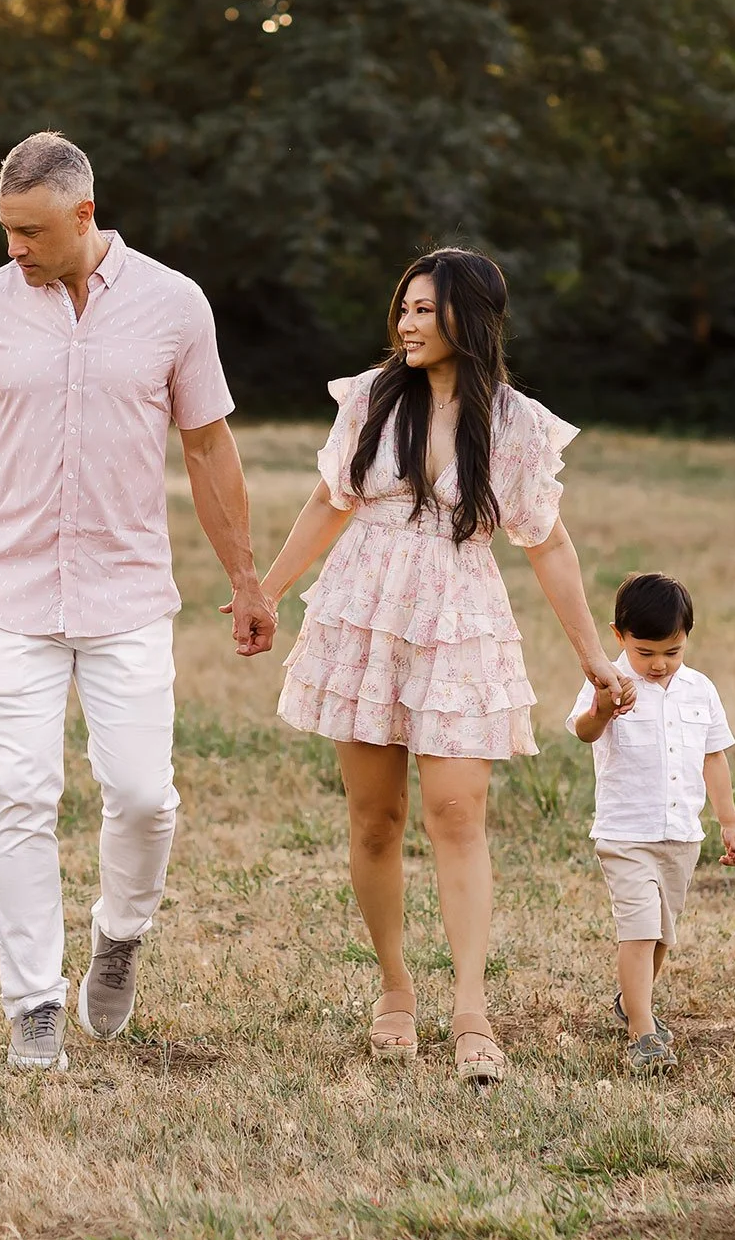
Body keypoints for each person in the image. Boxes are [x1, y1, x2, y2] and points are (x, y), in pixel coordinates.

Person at [0, 132, 276, 1071]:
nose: (14, 249)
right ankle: (32, 1002)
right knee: (22, 793)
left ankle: (118, 936)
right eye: (4, 231)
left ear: (84, 214)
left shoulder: (173, 304)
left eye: (31, 232)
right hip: (12, 595)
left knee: (145, 797)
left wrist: (245, 576)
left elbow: (207, 449)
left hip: (129, 596)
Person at [257, 248, 631, 1087]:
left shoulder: (517, 425)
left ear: (471, 317)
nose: (407, 323)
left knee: (457, 813)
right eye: (405, 309)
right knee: (375, 818)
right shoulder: (368, 399)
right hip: (366, 613)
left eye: (426, 310)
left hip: (458, 621)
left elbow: (549, 540)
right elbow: (330, 500)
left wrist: (593, 656)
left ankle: (471, 1007)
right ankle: (395, 986)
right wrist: (267, 590)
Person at [568, 572, 735, 1074]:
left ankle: (631, 999)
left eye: (673, 650)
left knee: (663, 934)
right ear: (619, 636)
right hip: (626, 833)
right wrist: (603, 708)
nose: (660, 663)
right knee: (640, 930)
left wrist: (728, 823)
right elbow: (584, 731)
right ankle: (642, 1031)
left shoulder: (699, 690)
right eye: (646, 652)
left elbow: (714, 758)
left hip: (681, 836)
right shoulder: (608, 683)